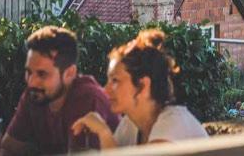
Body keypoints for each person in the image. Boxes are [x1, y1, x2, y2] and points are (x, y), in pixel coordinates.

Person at [0, 26, 118, 155]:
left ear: (69, 73)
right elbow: (8, 147)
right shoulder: (36, 94)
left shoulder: (87, 98)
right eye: (29, 72)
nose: (31, 82)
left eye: (42, 74)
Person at [71, 30, 208, 148]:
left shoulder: (174, 123)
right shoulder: (130, 124)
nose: (105, 90)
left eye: (115, 81)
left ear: (143, 86)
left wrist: (104, 133)